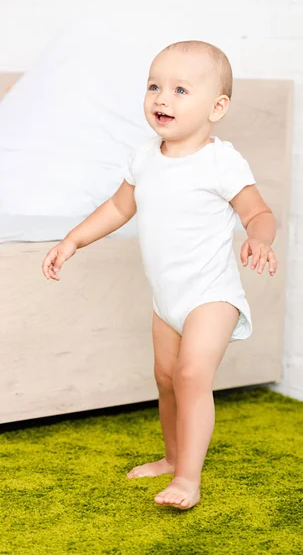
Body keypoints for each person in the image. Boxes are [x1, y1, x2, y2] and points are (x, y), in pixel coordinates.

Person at [42, 40, 278, 510]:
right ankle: (173, 458)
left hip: (211, 294)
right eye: (154, 86)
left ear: (217, 107)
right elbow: (117, 207)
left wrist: (260, 238)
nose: (161, 98)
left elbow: (258, 212)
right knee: (166, 378)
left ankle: (188, 480)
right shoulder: (145, 156)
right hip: (166, 300)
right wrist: (73, 239)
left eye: (179, 89)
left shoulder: (220, 160)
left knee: (192, 375)